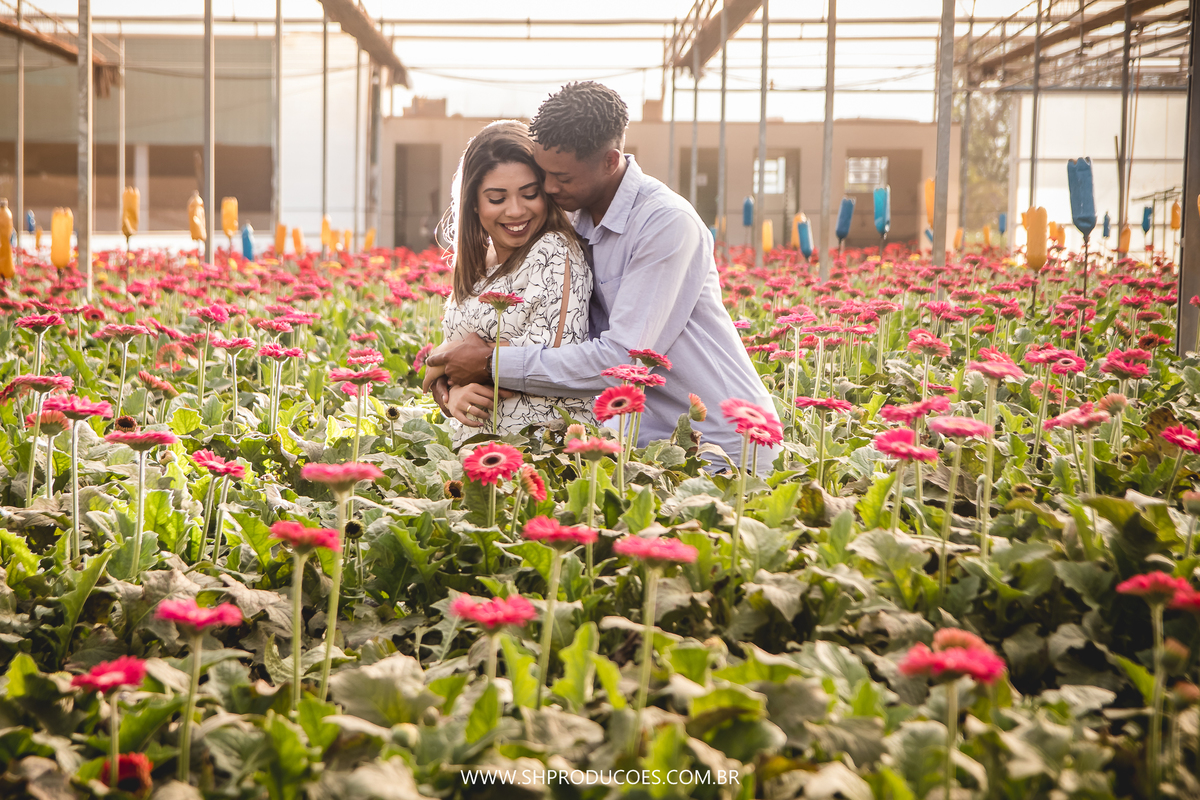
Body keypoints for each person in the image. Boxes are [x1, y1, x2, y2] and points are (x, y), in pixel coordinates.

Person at [426, 82, 777, 471]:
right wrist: (448, 384)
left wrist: (490, 363)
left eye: (561, 177)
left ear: (610, 162)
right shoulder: (570, 211)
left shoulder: (665, 225)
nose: (549, 188)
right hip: (639, 447)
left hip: (720, 445)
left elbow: (622, 359)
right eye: (544, 174)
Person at [423, 120, 596, 446]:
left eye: (530, 194)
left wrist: (451, 360)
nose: (516, 211)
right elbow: (457, 367)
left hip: (542, 456)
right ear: (474, 203)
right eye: (497, 198)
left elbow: (556, 358)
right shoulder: (476, 265)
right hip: (475, 459)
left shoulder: (554, 250)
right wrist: (453, 395)